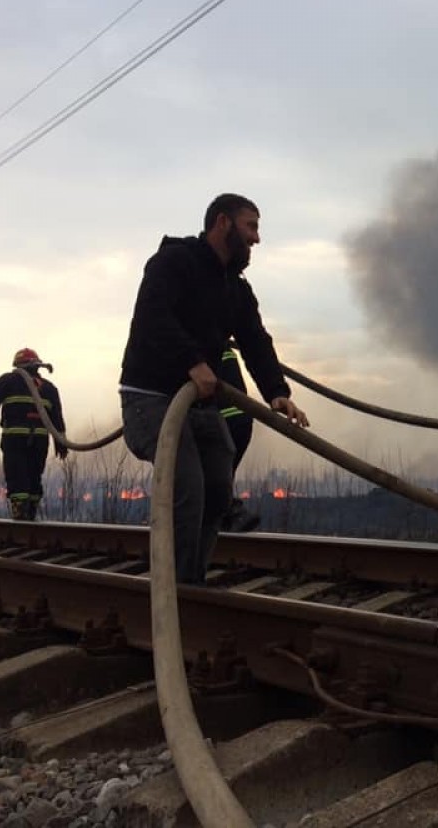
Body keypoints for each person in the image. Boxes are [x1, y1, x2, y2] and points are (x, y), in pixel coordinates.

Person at [118, 193, 308, 584]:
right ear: (223, 223)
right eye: (251, 226)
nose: (256, 238)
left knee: (219, 489)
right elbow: (154, 316)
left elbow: (255, 341)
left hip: (200, 406)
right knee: (187, 486)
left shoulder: (236, 290)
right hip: (150, 400)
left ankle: (189, 581)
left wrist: (277, 392)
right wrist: (193, 362)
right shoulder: (173, 263)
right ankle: (173, 590)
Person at [0, 348, 68, 521]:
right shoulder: (49, 388)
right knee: (34, 476)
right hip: (40, 441)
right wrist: (61, 443)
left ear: (18, 365)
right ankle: (32, 513)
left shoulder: (9, 380)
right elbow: (57, 418)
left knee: (17, 476)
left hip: (15, 440)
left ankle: (20, 514)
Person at [217, 342, 261, 533]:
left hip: (224, 421)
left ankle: (226, 511)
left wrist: (277, 391)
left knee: (211, 481)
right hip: (238, 420)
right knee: (217, 479)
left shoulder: (202, 341)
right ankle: (227, 512)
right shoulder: (221, 342)